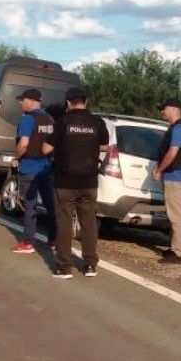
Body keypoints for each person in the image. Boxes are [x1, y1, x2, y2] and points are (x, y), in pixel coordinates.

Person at [44, 87, 109, 278]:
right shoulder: (97, 122)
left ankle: (64, 267)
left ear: (68, 103)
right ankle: (90, 265)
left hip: (65, 181)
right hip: (89, 181)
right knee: (88, 223)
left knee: (64, 224)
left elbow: (46, 149)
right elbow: (104, 146)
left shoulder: (62, 122)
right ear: (86, 102)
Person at [10, 88, 57, 254]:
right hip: (46, 167)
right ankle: (54, 239)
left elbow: (24, 144)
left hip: (29, 167)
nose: (20, 103)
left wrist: (15, 158)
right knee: (50, 204)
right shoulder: (50, 119)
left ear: (30, 101)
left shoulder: (28, 119)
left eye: (22, 100)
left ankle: (28, 242)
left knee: (30, 206)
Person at [152, 98, 181, 265]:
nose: (162, 112)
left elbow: (173, 152)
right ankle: (174, 248)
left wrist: (159, 169)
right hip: (172, 177)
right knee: (173, 216)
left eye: (164, 108)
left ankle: (178, 254)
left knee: (176, 217)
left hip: (175, 178)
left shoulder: (179, 128)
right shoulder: (175, 128)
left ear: (174, 109)